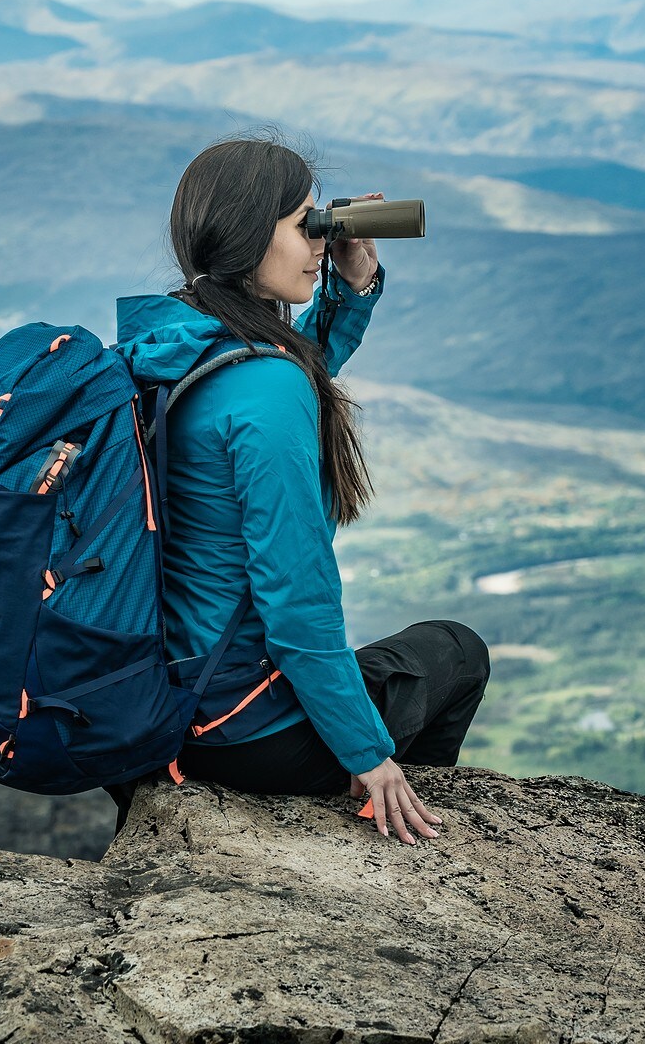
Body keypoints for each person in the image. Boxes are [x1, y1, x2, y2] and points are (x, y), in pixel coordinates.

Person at [110, 137, 489, 845]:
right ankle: (406, 816)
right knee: (458, 649)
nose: (319, 241)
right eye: (305, 223)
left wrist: (353, 281)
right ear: (252, 231)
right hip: (246, 733)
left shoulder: (167, 341)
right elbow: (295, 602)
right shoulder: (265, 385)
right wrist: (366, 753)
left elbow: (286, 371)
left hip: (159, 708)